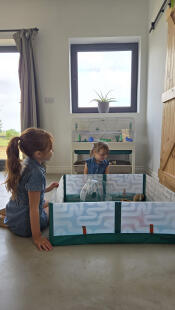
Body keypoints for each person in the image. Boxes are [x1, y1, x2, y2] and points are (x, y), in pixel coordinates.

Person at [3, 127, 58, 251]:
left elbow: (30, 191)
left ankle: (6, 217)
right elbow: (34, 210)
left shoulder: (25, 162)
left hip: (13, 213)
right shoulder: (36, 172)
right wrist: (37, 237)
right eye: (50, 149)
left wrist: (48, 188)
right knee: (53, 206)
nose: (52, 151)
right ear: (38, 154)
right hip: (24, 225)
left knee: (46, 203)